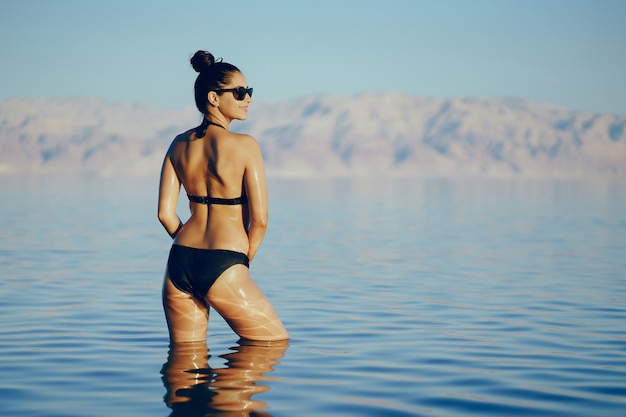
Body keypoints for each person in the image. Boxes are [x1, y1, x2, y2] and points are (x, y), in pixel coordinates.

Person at [158, 50, 288, 343]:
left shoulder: (178, 145)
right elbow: (261, 220)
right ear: (214, 97)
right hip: (225, 261)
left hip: (180, 260)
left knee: (183, 367)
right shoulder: (246, 146)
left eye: (249, 92)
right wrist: (242, 261)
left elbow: (165, 214)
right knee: (271, 346)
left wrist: (191, 250)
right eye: (240, 92)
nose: (248, 99)